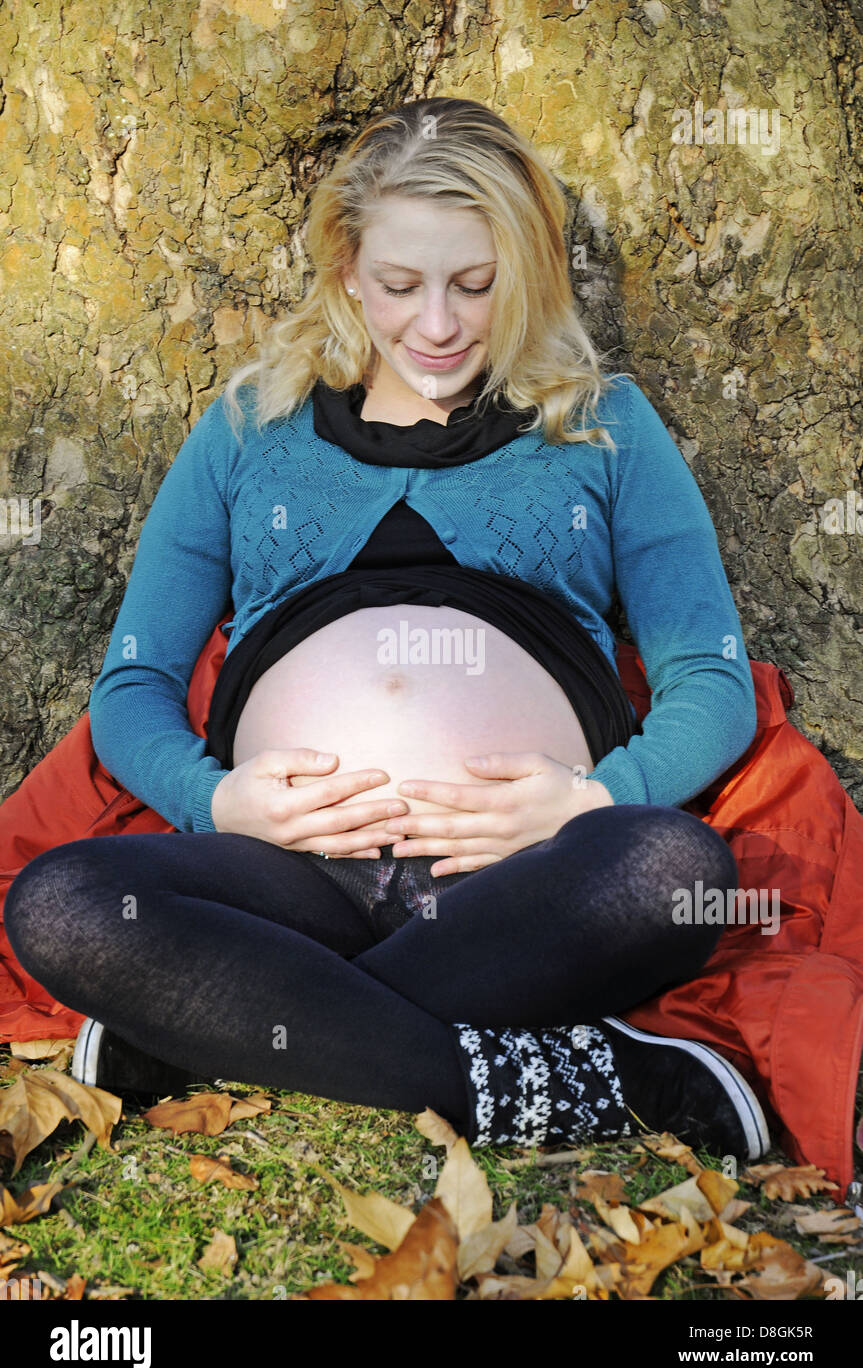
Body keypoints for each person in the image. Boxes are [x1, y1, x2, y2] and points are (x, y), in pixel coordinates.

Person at [4, 97, 770, 1161]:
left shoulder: (602, 424)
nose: (440, 324)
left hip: (519, 877)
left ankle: (220, 1031)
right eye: (402, 286)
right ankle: (584, 1081)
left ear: (526, 268)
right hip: (292, 880)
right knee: (65, 903)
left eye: (474, 282)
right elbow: (133, 683)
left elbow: (708, 676)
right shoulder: (245, 428)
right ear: (346, 270)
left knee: (669, 871)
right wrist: (214, 796)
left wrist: (590, 799)